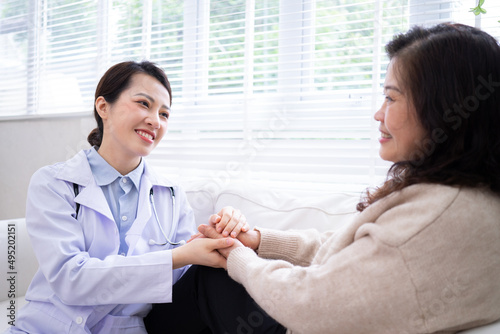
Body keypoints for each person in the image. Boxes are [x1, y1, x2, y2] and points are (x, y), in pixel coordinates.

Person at [145, 23, 500, 333]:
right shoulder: (463, 194)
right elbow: (346, 252)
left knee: (210, 279)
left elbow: (307, 300)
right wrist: (258, 241)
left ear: (442, 106)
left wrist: (238, 258)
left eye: (391, 98)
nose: (378, 113)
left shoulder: (439, 211)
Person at [5, 61, 248, 334]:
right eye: (144, 104)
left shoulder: (170, 194)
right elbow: (70, 278)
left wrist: (213, 238)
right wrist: (176, 256)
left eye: (165, 114)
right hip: (50, 327)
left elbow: (184, 283)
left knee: (220, 277)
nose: (155, 121)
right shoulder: (53, 183)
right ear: (103, 107)